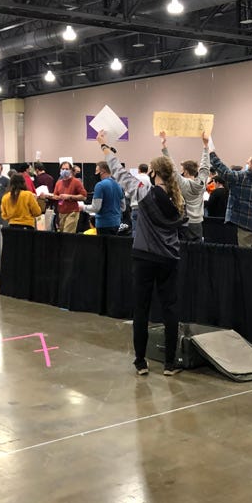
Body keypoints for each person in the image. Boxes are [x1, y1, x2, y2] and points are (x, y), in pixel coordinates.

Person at [97, 130, 186, 376]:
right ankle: (169, 364)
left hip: (144, 258)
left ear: (153, 173)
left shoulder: (144, 193)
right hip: (169, 260)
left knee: (141, 310)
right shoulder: (178, 201)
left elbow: (119, 173)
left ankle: (140, 362)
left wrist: (105, 147)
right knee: (170, 310)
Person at [161, 130, 210, 241]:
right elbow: (205, 167)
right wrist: (205, 145)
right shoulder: (202, 183)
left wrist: (164, 145)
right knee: (197, 251)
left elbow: (171, 167)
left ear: (186, 172)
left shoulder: (183, 183)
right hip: (198, 223)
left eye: (182, 171)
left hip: (185, 222)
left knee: (184, 250)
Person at [52, 161, 87, 233]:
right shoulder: (58, 183)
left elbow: (84, 196)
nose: (64, 171)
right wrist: (56, 197)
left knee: (67, 233)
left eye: (66, 169)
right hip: (61, 212)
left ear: (71, 170)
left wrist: (69, 197)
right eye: (63, 169)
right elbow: (55, 195)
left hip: (72, 212)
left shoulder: (76, 182)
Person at [91, 160, 124, 235]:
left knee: (103, 246)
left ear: (102, 171)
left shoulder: (100, 185)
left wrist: (83, 207)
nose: (95, 173)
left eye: (97, 171)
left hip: (103, 223)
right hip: (116, 223)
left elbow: (96, 208)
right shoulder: (118, 185)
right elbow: (123, 207)